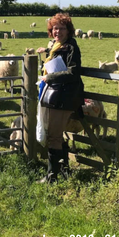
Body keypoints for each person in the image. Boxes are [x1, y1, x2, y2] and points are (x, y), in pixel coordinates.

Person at [36, 13, 84, 183]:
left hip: (64, 98)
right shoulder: (58, 46)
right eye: (55, 28)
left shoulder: (71, 47)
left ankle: (51, 177)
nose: (58, 31)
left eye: (62, 28)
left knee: (54, 136)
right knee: (56, 135)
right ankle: (64, 170)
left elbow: (73, 71)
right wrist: (47, 51)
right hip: (56, 95)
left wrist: (50, 77)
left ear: (68, 30)